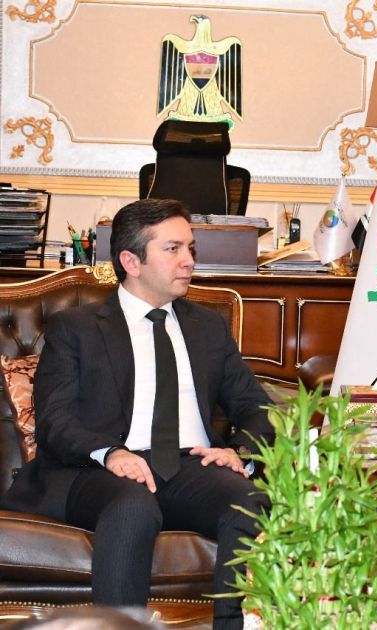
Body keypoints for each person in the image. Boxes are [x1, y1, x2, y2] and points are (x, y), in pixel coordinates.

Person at [0, 199, 274, 630]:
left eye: (190, 248)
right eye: (173, 249)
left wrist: (238, 451)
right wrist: (111, 453)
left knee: (248, 501)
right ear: (131, 261)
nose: (188, 260)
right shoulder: (77, 327)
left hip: (188, 465)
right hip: (95, 469)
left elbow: (257, 407)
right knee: (133, 506)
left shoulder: (207, 327)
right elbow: (55, 419)